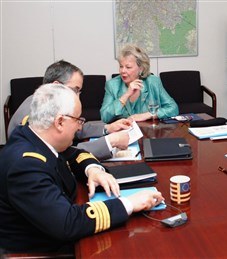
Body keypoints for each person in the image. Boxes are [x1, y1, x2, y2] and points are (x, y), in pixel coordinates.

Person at [0, 84, 164, 253]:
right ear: (60, 122)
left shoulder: (35, 134)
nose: (80, 127)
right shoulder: (26, 165)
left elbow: (74, 155)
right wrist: (130, 203)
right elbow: (66, 222)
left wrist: (93, 170)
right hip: (45, 250)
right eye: (78, 120)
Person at [7, 60, 131, 160]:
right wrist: (110, 142)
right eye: (75, 90)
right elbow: (59, 155)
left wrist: (108, 128)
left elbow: (75, 129)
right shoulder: (35, 116)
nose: (77, 97)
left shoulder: (46, 103)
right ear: (56, 86)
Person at [100, 44, 179, 123]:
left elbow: (173, 108)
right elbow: (104, 117)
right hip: (123, 132)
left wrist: (148, 115)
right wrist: (126, 95)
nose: (123, 71)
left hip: (150, 131)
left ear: (141, 68)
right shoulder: (112, 85)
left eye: (128, 67)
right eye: (121, 66)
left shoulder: (153, 82)